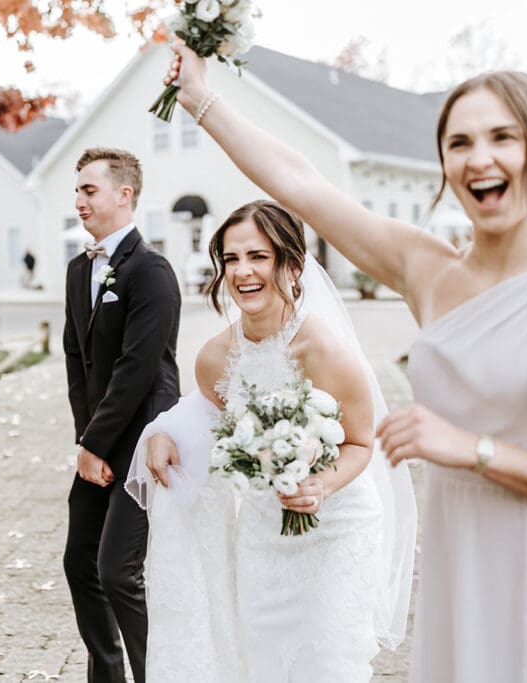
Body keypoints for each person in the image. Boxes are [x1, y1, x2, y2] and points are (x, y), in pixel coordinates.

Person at [165, 44, 527, 683]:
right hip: (460, 558)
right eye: (459, 142)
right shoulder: (428, 270)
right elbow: (302, 184)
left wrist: (473, 449)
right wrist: (200, 100)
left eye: (503, 137)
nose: (480, 157)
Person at [127, 200, 416, 681]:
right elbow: (206, 417)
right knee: (263, 660)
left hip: (337, 528)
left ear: (292, 265)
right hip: (262, 532)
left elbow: (361, 443)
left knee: (325, 664)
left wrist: (321, 485)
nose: (243, 272)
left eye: (258, 257)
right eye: (232, 259)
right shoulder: (215, 357)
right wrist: (160, 434)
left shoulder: (325, 350)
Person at [62, 147, 182, 683]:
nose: (79, 200)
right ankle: (105, 675)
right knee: (78, 564)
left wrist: (98, 443)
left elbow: (138, 370)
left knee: (118, 573)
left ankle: (155, 673)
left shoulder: (151, 271)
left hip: (144, 441)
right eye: (78, 190)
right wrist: (86, 441)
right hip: (99, 443)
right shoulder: (76, 270)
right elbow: (76, 360)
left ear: (123, 194)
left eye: (89, 190)